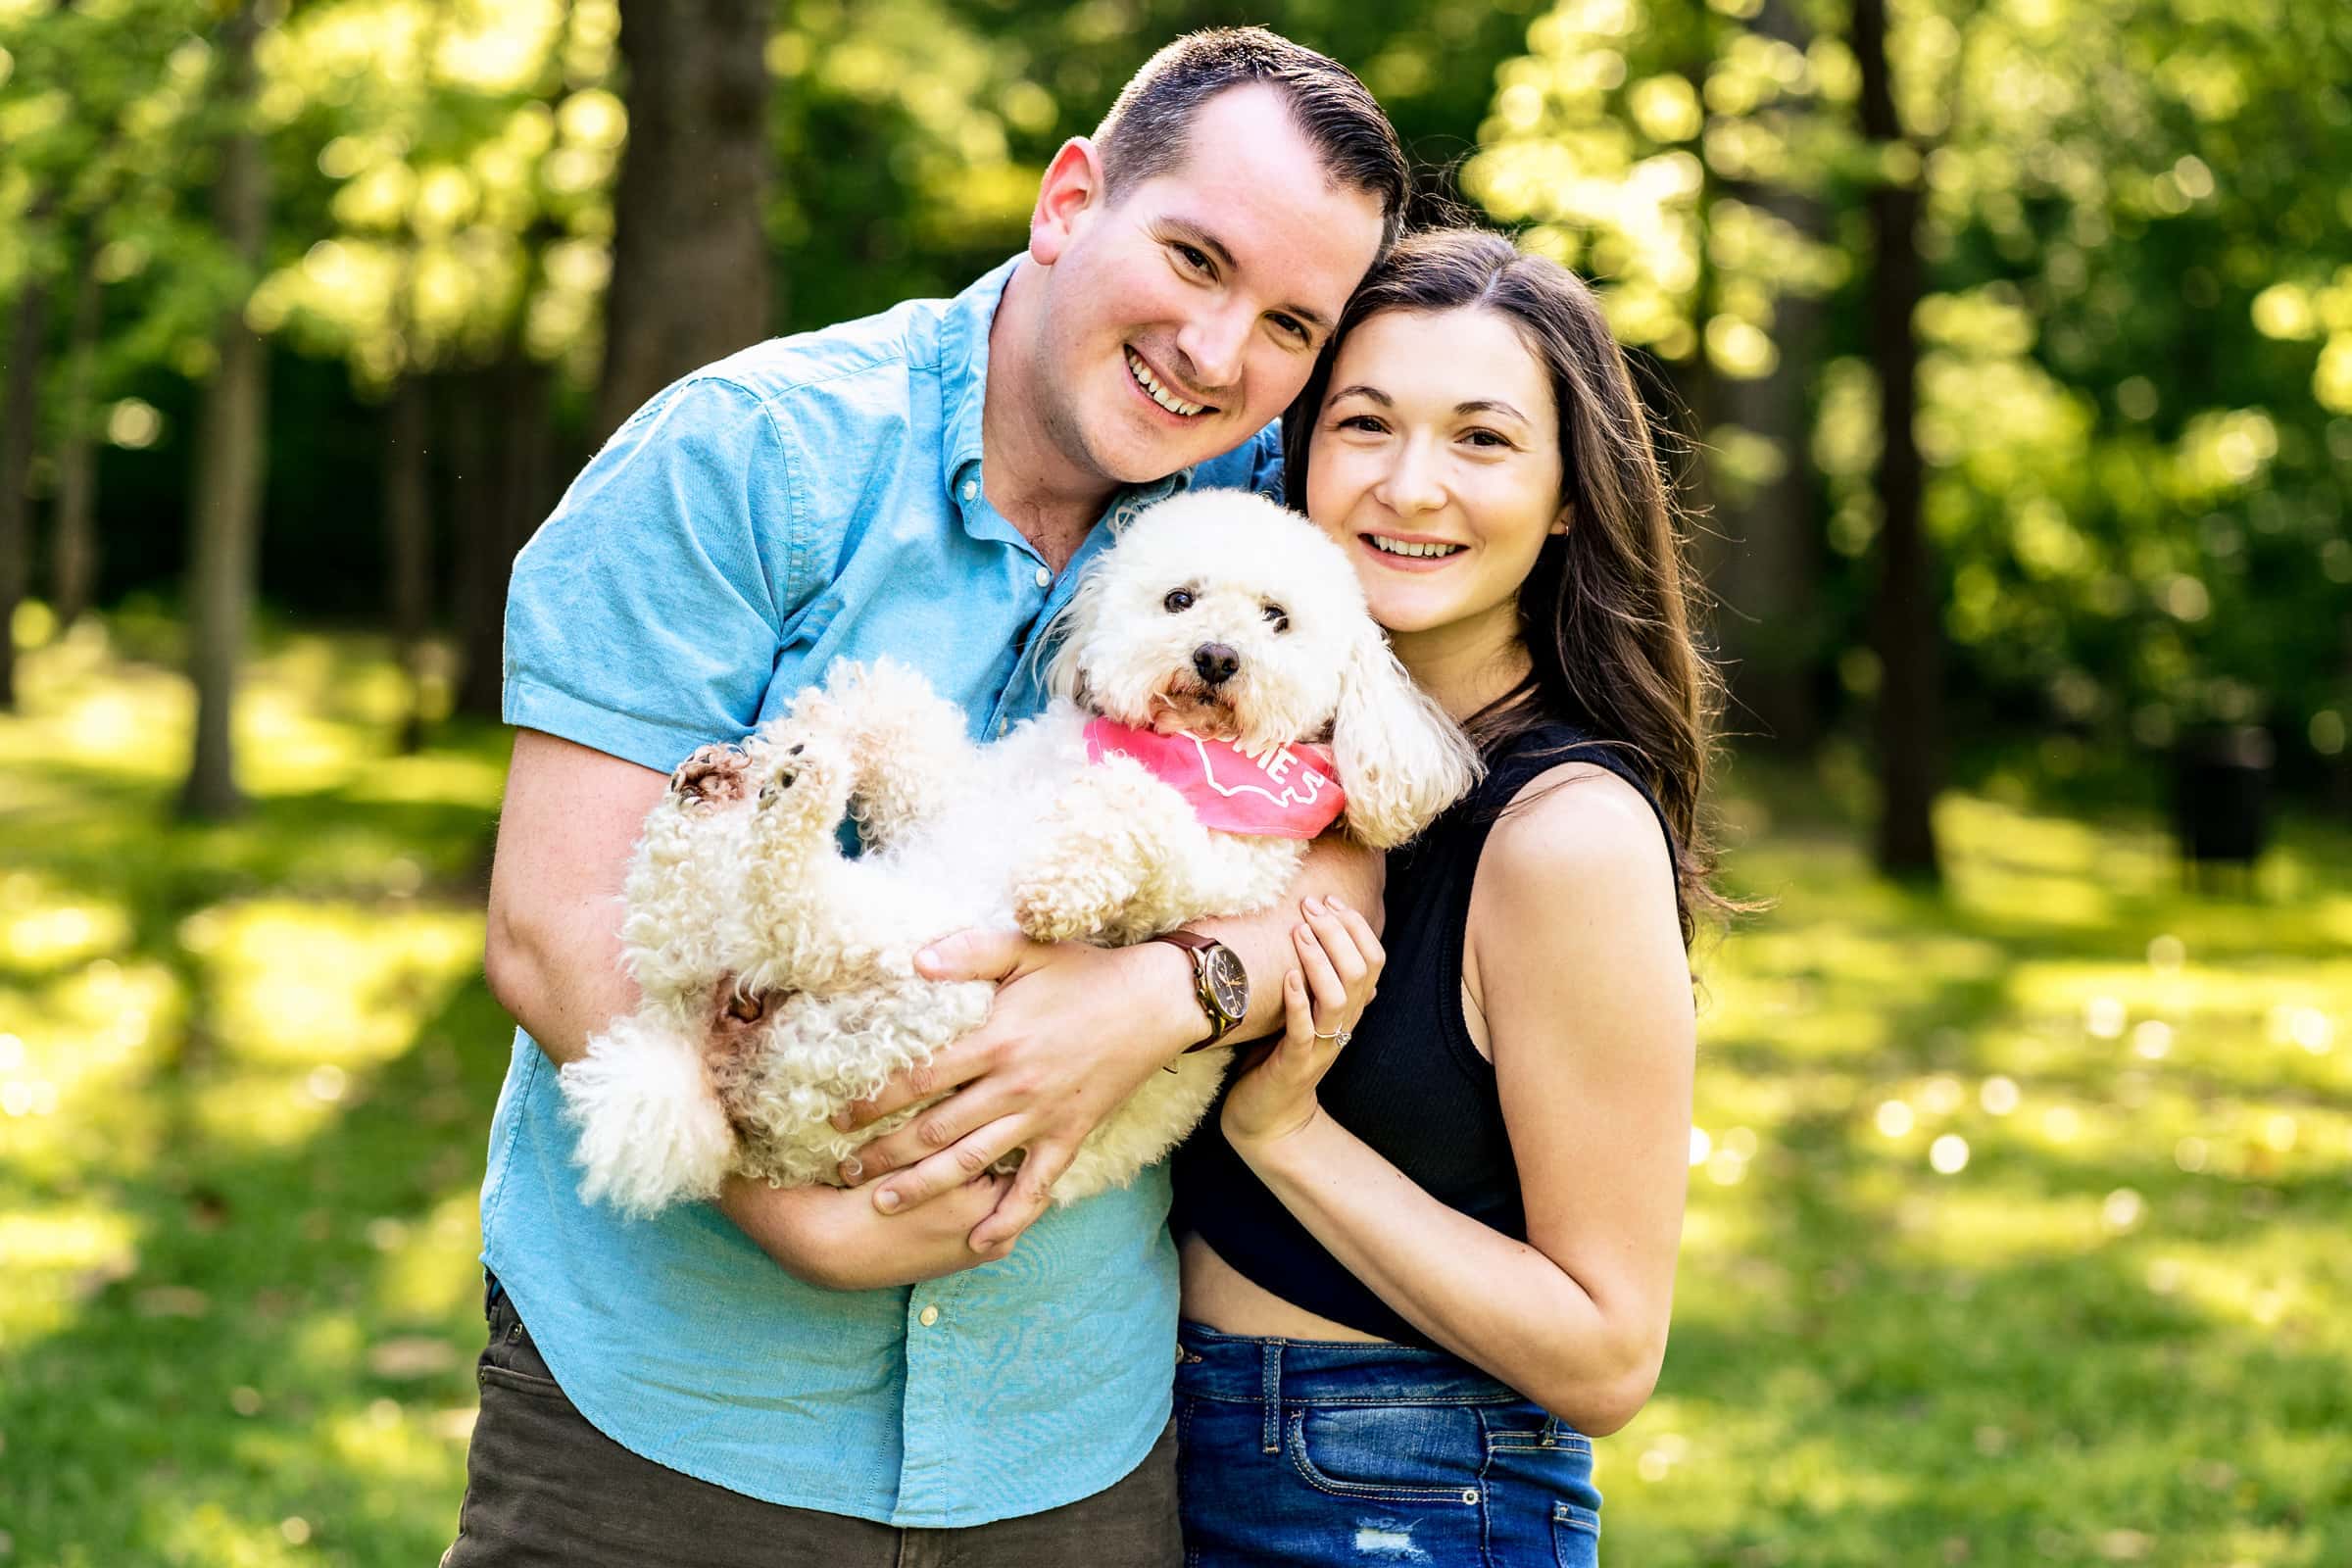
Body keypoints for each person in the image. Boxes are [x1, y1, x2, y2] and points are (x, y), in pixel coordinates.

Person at [446, 29, 1405, 1566]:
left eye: (1291, 322)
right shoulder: (744, 458)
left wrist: (1171, 991)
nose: (1221, 356)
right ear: (1069, 198)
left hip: (1069, 1436)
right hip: (678, 1416)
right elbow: (550, 929)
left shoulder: (1273, 519)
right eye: (1192, 259)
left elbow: (1350, 835)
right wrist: (799, 1219)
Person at [1169, 228, 1720, 1567]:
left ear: (1570, 493)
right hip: (1166, 1451)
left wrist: (1288, 1131)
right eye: (1366, 424)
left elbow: (1606, 1351)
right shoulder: (1261, 753)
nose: (1410, 487)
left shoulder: (1563, 834)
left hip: (1386, 1492)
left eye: (1481, 440)